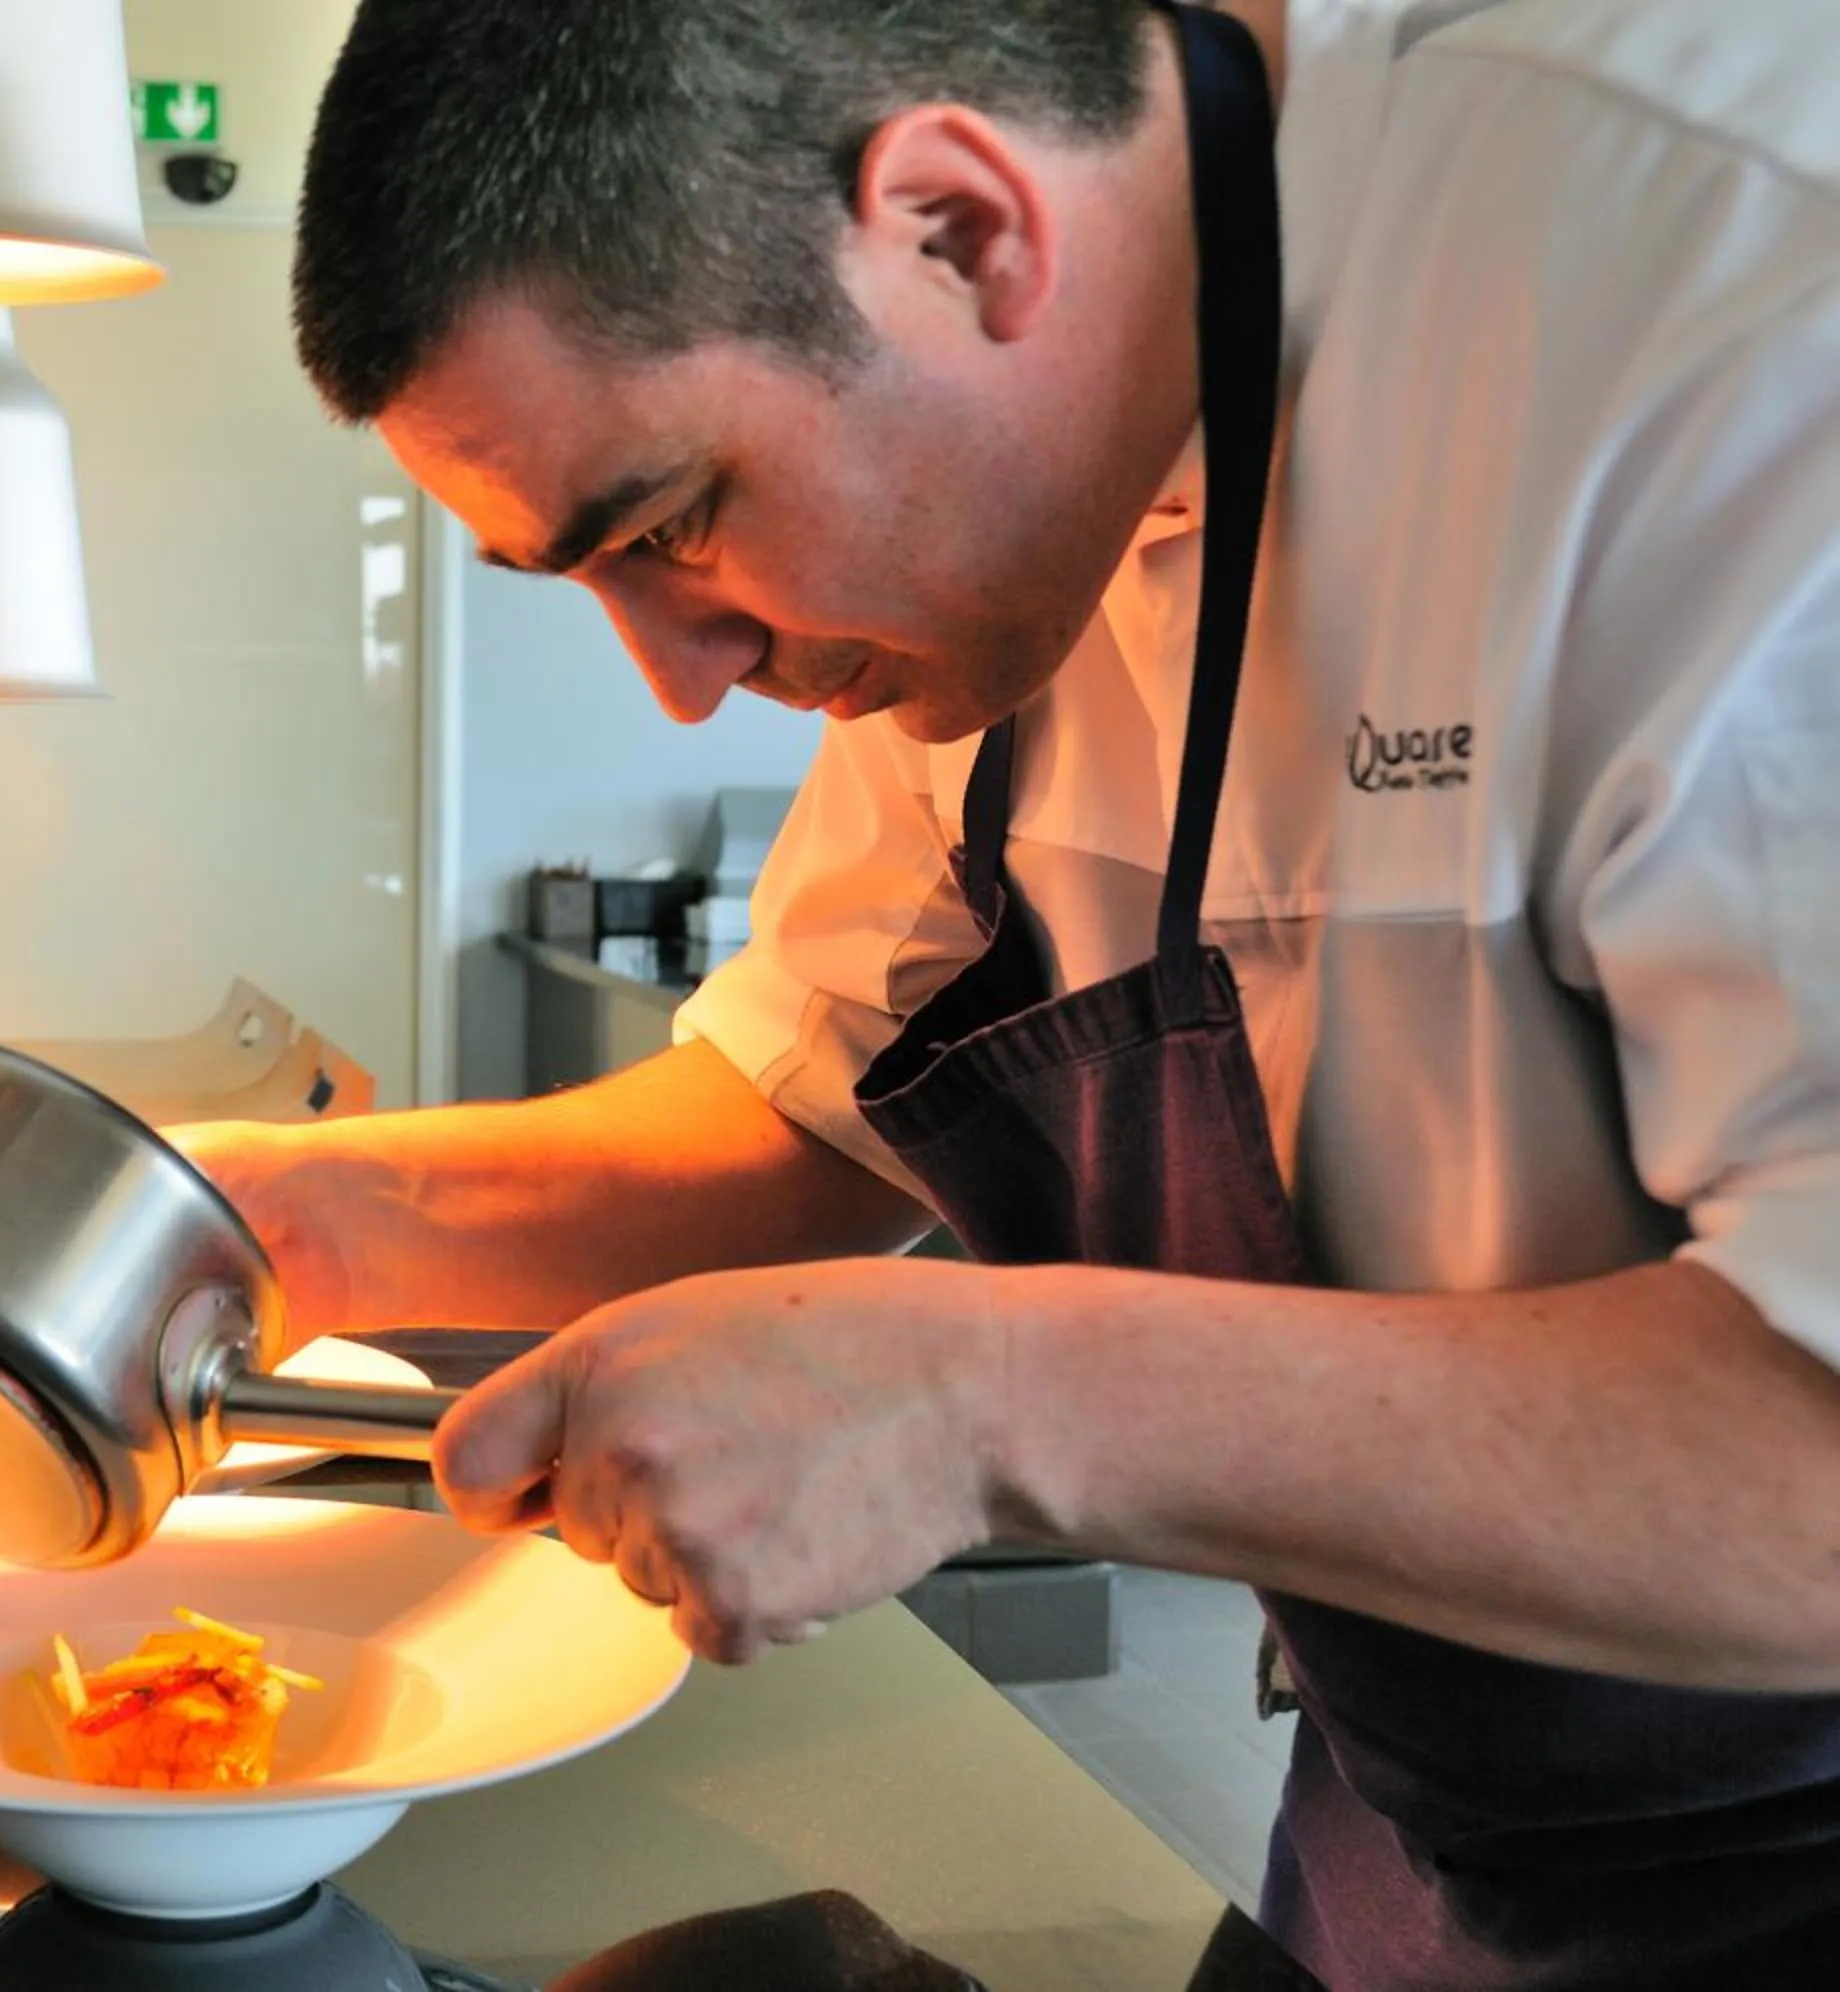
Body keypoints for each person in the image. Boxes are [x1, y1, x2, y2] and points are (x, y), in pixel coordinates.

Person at [168, 2, 1840, 1986]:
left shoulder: (1746, 301)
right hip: (1428, 1831)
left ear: (960, 231)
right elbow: (797, 1116)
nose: (677, 680)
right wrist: (269, 1225)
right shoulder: (987, 547)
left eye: (675, 523)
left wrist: (972, 1396)